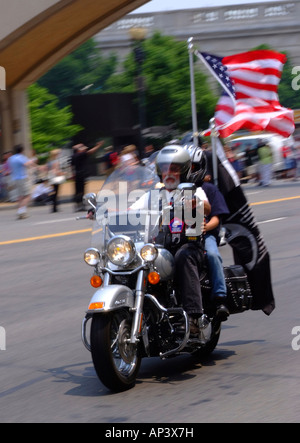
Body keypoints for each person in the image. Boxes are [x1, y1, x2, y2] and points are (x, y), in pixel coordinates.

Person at [131, 145, 211, 335]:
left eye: (174, 169)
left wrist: (195, 204)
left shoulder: (192, 191)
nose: (169, 173)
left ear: (183, 170)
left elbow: (206, 207)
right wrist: (105, 211)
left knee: (184, 256)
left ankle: (193, 317)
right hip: (159, 249)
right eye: (165, 168)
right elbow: (130, 212)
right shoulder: (152, 195)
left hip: (189, 245)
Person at [185, 145, 230, 321]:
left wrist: (205, 228)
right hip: (180, 236)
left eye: (192, 167)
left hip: (205, 235)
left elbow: (216, 218)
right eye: (185, 167)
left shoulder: (208, 189)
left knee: (212, 254)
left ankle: (220, 297)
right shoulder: (171, 189)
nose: (189, 171)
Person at [71, 141, 103, 211]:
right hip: (81, 174)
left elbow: (72, 166)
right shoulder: (81, 155)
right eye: (83, 148)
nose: (84, 149)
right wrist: (98, 146)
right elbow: (90, 152)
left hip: (76, 174)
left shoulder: (74, 156)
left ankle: (78, 205)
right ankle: (81, 205)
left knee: (77, 190)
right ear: (79, 150)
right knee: (82, 190)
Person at [7, 144, 36, 219]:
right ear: (22, 150)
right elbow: (26, 164)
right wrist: (32, 160)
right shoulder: (21, 157)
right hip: (22, 178)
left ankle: (23, 213)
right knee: (28, 195)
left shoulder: (11, 158)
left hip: (14, 178)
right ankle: (20, 211)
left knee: (20, 196)